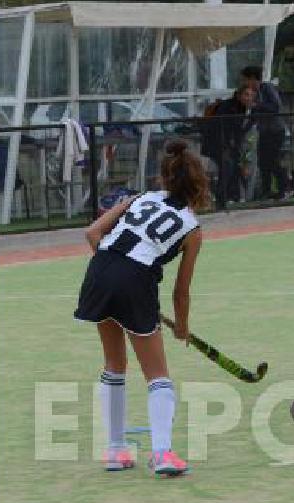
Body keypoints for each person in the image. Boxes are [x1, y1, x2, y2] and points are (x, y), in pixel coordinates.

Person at [74, 140, 210, 477]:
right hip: (135, 281)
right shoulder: (192, 229)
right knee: (157, 375)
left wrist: (113, 276)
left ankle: (116, 451)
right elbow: (181, 292)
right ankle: (162, 454)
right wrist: (181, 326)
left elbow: (92, 233)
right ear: (198, 185)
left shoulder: (138, 199)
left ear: (164, 177)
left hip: (101, 269)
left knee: (114, 364)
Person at [200, 85, 258, 205]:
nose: (249, 98)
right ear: (239, 95)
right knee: (228, 166)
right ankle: (222, 197)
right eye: (246, 95)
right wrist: (228, 145)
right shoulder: (229, 107)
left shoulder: (242, 109)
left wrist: (252, 117)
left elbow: (241, 130)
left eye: (252, 96)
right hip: (217, 143)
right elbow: (226, 128)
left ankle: (233, 195)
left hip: (228, 144)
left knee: (233, 166)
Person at [240, 66, 290, 200]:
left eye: (246, 80)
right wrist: (243, 129)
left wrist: (256, 106)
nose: (245, 83)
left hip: (275, 130)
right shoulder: (256, 93)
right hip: (264, 131)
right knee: (263, 162)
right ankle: (266, 190)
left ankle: (283, 188)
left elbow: (275, 107)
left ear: (252, 79)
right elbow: (254, 115)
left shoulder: (266, 88)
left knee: (273, 160)